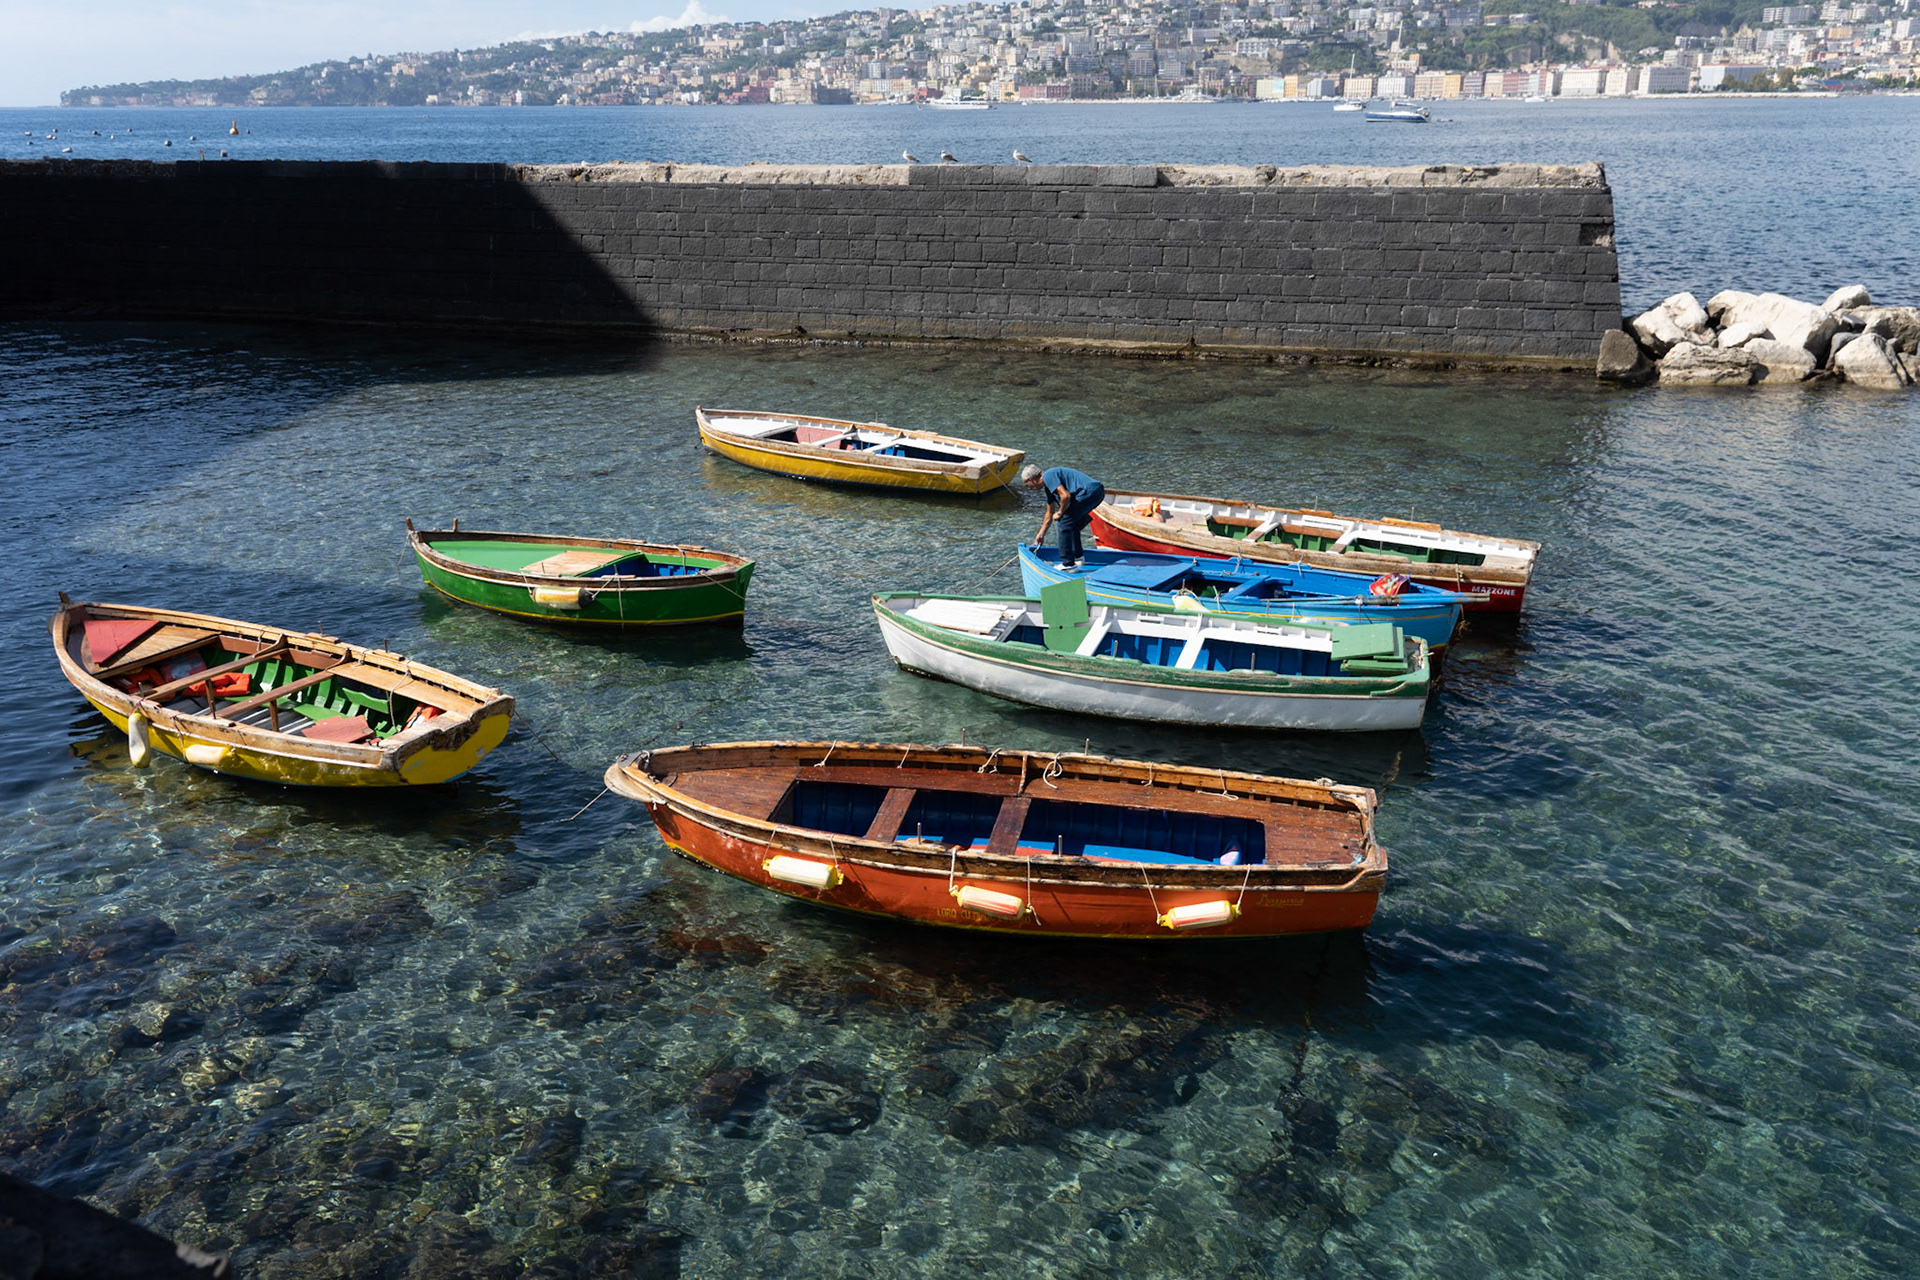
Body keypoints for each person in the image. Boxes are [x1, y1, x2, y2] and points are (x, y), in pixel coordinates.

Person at [1023, 464, 1106, 569]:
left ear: (1031, 480)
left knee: (1062, 523)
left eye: (1028, 486)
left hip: (1088, 492)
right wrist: (1041, 534)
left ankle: (1068, 564)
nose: (1030, 489)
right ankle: (1078, 558)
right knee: (1073, 524)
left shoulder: (1048, 476)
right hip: (1098, 492)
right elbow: (1049, 513)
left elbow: (1065, 496)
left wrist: (1060, 512)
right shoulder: (1049, 488)